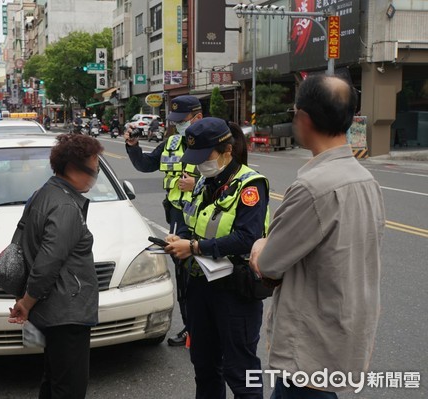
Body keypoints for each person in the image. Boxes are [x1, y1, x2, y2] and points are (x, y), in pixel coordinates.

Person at [249, 75, 385, 398]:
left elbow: (268, 263)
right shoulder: (367, 181)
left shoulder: (312, 189)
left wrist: (258, 245)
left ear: (304, 119)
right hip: (343, 340)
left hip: (308, 356)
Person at [163, 117, 268, 399]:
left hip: (234, 290)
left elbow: (248, 237)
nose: (199, 165)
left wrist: (195, 247)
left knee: (242, 371)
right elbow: (188, 217)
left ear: (227, 151)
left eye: (204, 157)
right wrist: (179, 238)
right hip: (200, 288)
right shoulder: (202, 183)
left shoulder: (250, 186)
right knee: (205, 366)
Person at [8, 133, 103, 399]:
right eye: (93, 171)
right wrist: (26, 302)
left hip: (53, 308)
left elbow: (20, 244)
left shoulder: (43, 194)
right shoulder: (65, 206)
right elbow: (49, 260)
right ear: (74, 169)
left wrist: (23, 296)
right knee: (69, 387)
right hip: (67, 308)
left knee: (54, 380)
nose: (94, 178)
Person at [124, 95, 203, 347]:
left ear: (197, 118)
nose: (178, 125)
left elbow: (232, 172)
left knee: (206, 276)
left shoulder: (213, 140)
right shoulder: (171, 143)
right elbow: (146, 165)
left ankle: (208, 329)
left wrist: (198, 182)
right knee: (182, 274)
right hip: (179, 218)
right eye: (175, 121)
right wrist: (134, 146)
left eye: (182, 121)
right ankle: (191, 328)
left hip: (207, 218)